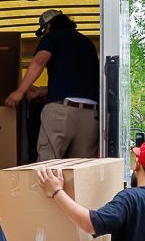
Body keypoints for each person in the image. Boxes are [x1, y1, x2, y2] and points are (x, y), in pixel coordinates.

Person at [5, 9, 100, 161]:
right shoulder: (87, 43)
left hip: (61, 113)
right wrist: (43, 91)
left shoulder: (52, 37)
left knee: (48, 166)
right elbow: (77, 83)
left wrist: (19, 91)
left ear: (48, 26)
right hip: (90, 116)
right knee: (82, 170)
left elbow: (39, 60)